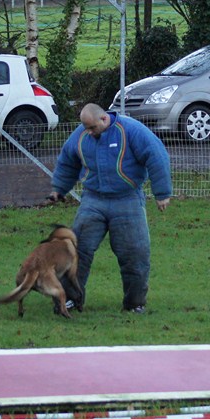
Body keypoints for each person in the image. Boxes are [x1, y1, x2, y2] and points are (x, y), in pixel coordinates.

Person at [48, 103, 172, 314]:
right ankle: (68, 300)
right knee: (76, 251)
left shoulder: (132, 130)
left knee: (134, 253)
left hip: (128, 199)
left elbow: (156, 156)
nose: (88, 132)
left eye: (91, 128)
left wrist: (162, 194)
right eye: (85, 128)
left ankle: (135, 303)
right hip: (92, 200)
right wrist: (58, 189)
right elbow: (68, 161)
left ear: (103, 120)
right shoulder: (81, 135)